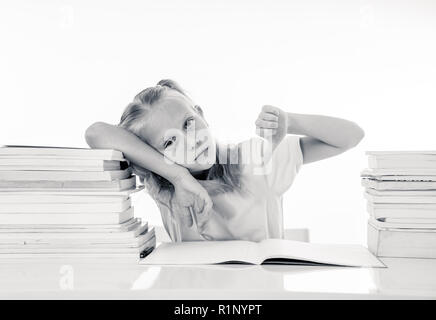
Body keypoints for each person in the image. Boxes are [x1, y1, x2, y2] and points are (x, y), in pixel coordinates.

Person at [85, 79, 364, 242]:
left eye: (188, 123)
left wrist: (291, 121)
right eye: (168, 142)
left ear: (202, 115)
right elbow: (96, 133)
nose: (190, 140)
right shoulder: (162, 185)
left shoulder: (253, 159)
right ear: (153, 155)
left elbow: (351, 136)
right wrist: (179, 178)